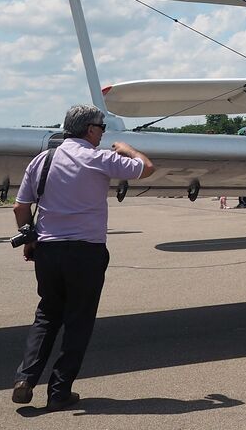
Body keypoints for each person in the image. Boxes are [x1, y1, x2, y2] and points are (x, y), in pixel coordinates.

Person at [11, 106, 155, 410]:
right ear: (90, 130)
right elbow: (146, 167)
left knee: (47, 314)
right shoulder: (99, 158)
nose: (102, 132)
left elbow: (20, 207)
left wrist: (29, 240)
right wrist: (126, 147)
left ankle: (25, 378)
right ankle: (59, 391)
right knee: (79, 320)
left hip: (48, 250)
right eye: (101, 127)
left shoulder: (42, 160)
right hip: (86, 250)